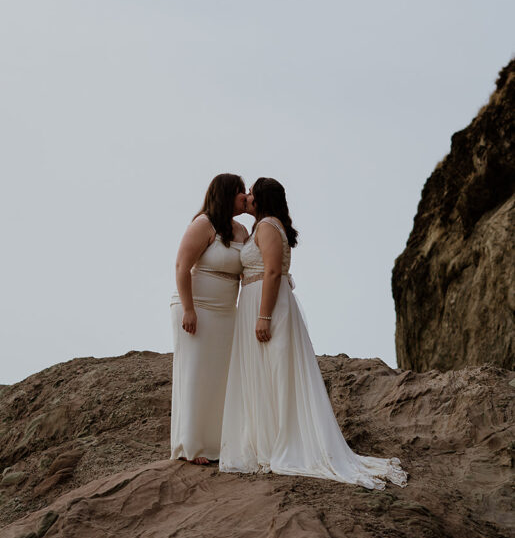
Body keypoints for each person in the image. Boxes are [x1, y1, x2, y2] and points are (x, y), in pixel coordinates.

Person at [220, 177, 407, 490]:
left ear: (262, 198)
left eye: (252, 192)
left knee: (277, 372)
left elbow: (273, 271)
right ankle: (270, 438)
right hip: (260, 301)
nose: (248, 196)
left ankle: (282, 442)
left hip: (266, 305)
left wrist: (263, 316)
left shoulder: (267, 225)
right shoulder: (265, 225)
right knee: (268, 372)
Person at [170, 174, 248, 465]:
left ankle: (217, 441)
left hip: (227, 310)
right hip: (197, 307)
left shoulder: (241, 230)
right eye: (241, 191)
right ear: (228, 194)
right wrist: (189, 309)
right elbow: (181, 266)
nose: (245, 197)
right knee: (196, 372)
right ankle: (193, 446)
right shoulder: (204, 224)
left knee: (219, 375)